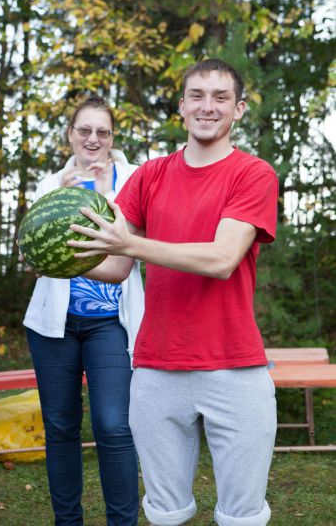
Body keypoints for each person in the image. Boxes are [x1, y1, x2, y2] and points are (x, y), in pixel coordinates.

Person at [68, 59, 279, 526]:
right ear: (181, 106)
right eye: (197, 96)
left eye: (220, 97)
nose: (208, 106)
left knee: (242, 516)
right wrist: (57, 262)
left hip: (235, 367)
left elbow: (222, 259)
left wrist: (131, 244)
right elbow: (118, 264)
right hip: (156, 367)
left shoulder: (253, 174)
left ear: (239, 109)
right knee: (165, 514)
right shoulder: (149, 176)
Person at [23, 95, 144, 526]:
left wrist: (99, 201)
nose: (93, 139)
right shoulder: (48, 184)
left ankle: (122, 522)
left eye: (102, 132)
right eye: (84, 130)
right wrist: (61, 198)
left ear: (112, 139)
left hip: (111, 323)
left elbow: (131, 254)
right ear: (71, 134)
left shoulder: (133, 180)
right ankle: (67, 521)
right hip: (52, 327)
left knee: (113, 425)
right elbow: (35, 258)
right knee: (60, 428)